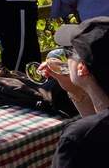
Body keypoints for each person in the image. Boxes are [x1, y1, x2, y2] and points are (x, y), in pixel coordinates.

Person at [41, 17, 109, 167]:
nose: (66, 58)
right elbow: (98, 122)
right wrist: (74, 90)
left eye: (70, 52)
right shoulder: (92, 130)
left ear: (82, 68)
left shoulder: (77, 137)